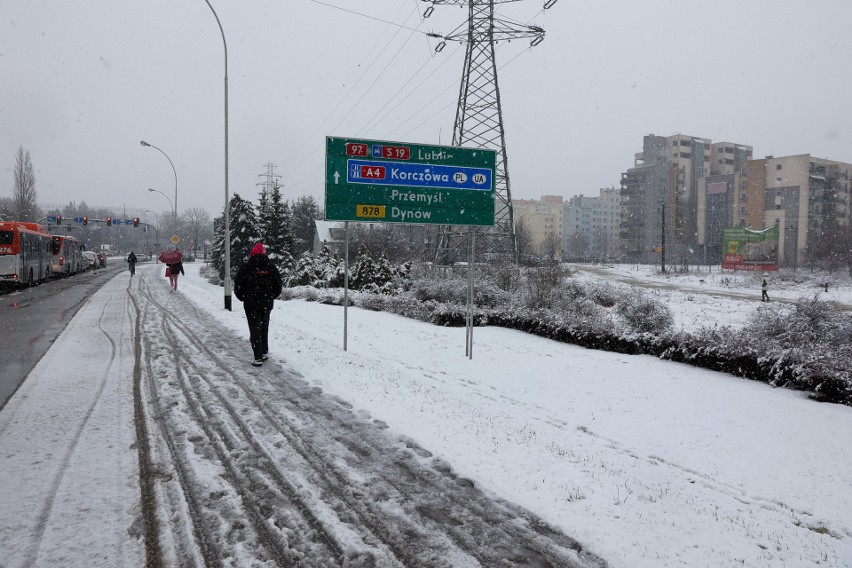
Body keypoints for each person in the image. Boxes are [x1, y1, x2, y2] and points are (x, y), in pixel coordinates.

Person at [233, 242, 283, 367]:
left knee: (254, 328)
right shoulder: (271, 267)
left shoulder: (246, 267)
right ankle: (264, 352)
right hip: (266, 303)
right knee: (264, 326)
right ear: (264, 253)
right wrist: (271, 296)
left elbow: (238, 286)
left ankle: (257, 357)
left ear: (252, 253)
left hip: (251, 303)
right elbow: (278, 286)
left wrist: (243, 297)